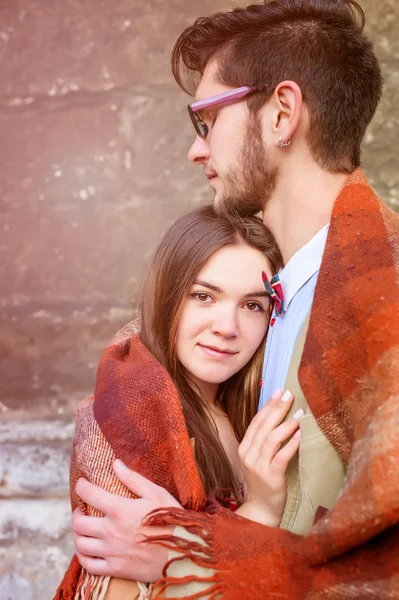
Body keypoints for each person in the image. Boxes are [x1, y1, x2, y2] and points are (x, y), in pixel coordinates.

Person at [70, 0, 399, 597]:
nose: (196, 150)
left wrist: (184, 554)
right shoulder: (275, 300)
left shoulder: (384, 296)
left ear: (281, 114)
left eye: (206, 120)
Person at [55, 205, 306, 599]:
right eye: (204, 296)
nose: (227, 328)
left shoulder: (250, 411)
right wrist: (259, 511)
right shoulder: (129, 417)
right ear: (167, 296)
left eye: (252, 305)